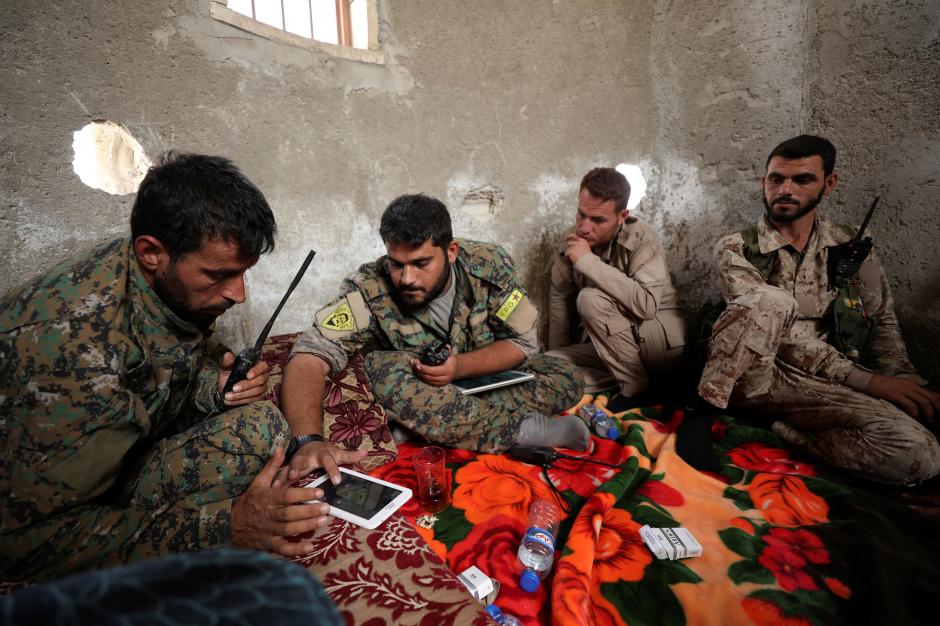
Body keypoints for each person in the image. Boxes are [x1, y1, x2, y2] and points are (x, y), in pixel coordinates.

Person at [0, 153, 362, 583]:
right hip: (44, 518)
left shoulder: (154, 279)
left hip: (119, 464)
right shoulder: (73, 353)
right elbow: (25, 543)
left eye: (244, 273)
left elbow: (159, 373)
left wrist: (215, 387)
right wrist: (225, 526)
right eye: (219, 275)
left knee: (263, 425)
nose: (239, 295)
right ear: (152, 252)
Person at [281, 194, 586, 480]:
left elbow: (523, 341)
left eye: (421, 263)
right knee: (379, 369)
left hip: (480, 382)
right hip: (420, 390)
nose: (407, 277)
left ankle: (424, 426)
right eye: (396, 264)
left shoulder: (490, 265)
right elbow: (310, 354)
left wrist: (459, 368)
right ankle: (524, 430)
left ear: (451, 251)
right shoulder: (369, 290)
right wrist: (308, 441)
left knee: (566, 375)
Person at [696, 134, 940, 484]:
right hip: (761, 373)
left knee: (920, 452)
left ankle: (781, 429)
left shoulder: (851, 245)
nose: (785, 189)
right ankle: (712, 416)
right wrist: (869, 382)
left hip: (827, 383)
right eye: (776, 179)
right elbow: (786, 336)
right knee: (772, 300)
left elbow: (880, 321)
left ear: (829, 183)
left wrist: (901, 381)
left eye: (803, 179)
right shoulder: (737, 247)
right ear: (764, 181)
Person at [546, 167, 687, 399]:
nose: (584, 227)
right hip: (609, 343)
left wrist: (588, 261)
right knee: (546, 364)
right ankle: (629, 381)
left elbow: (647, 305)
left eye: (598, 220)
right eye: (581, 214)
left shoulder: (641, 240)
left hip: (657, 342)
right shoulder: (573, 239)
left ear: (622, 216)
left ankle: (635, 390)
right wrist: (557, 361)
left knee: (590, 299)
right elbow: (559, 296)